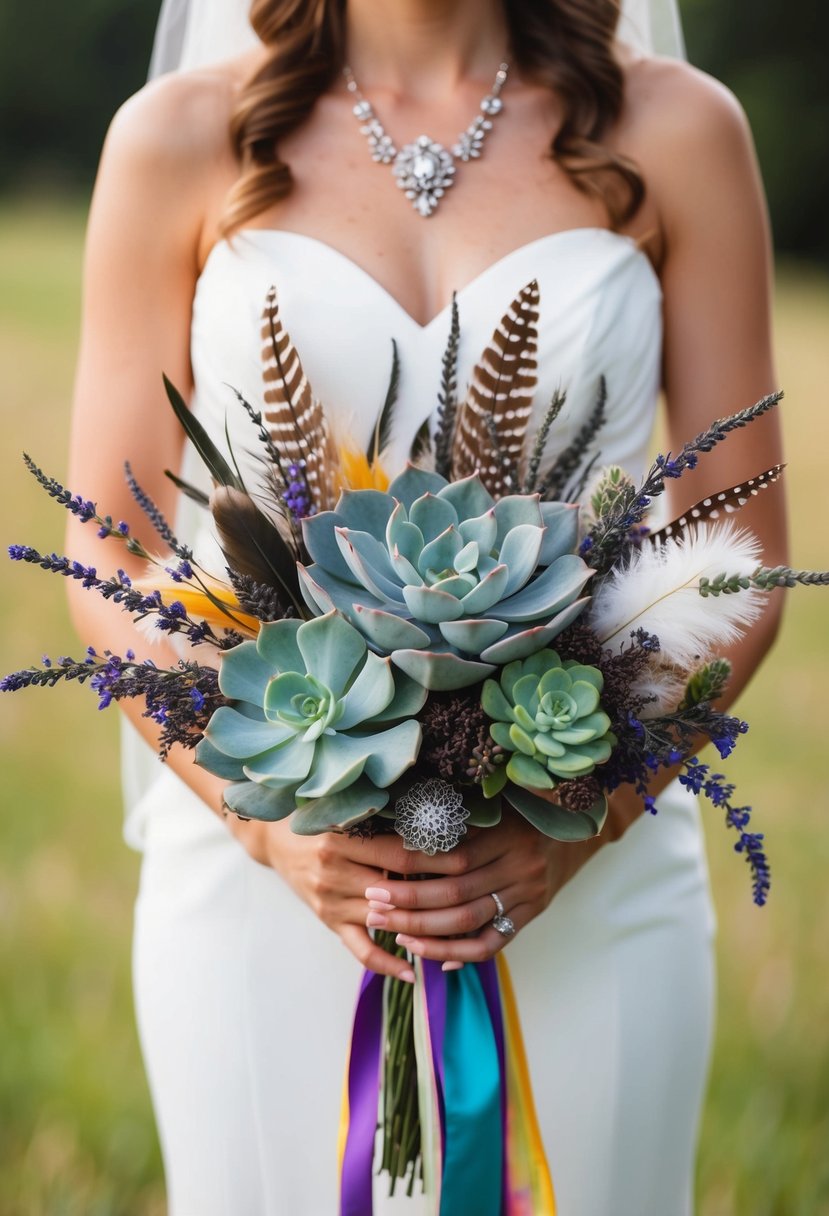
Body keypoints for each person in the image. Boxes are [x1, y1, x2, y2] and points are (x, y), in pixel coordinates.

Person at [65, 0, 787, 1211]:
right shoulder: (179, 138)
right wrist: (270, 830)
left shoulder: (678, 133)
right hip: (262, 888)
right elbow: (110, 546)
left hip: (588, 879)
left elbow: (739, 551)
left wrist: (585, 816)